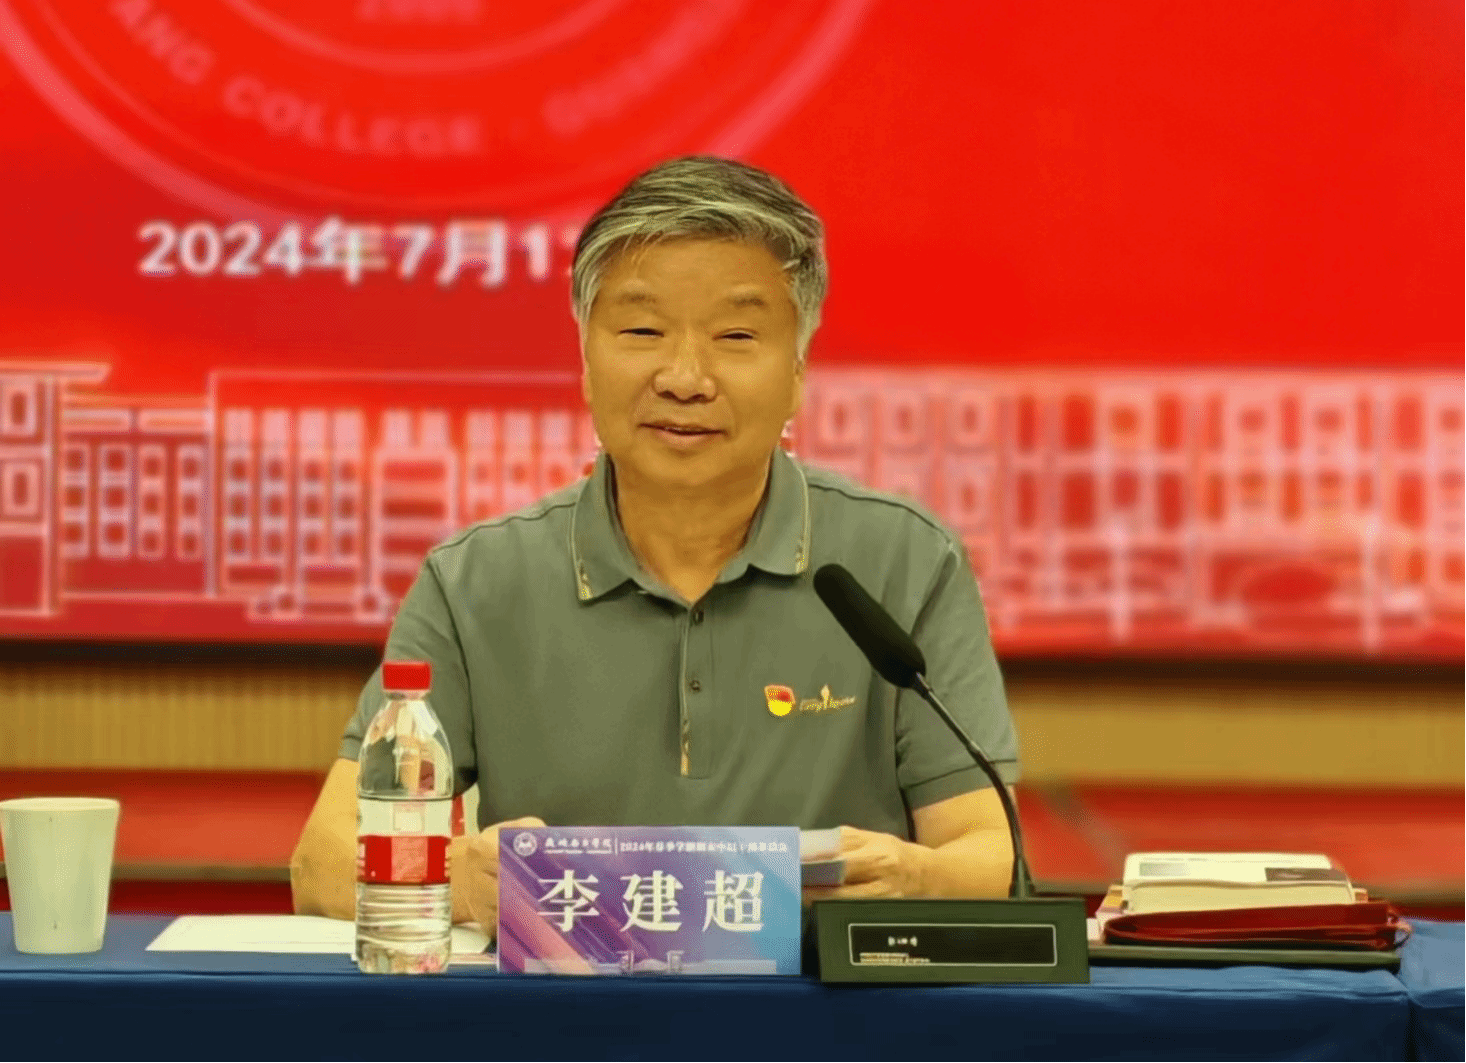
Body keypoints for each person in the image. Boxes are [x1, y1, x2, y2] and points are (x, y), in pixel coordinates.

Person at [290, 156, 1021, 932]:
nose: (684, 377)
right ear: (585, 357)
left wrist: (909, 877)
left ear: (798, 370)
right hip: (568, 1004)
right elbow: (322, 860)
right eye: (643, 330)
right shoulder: (475, 582)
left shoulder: (905, 563)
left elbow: (988, 852)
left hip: (827, 1004)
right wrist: (461, 880)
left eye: (736, 335)